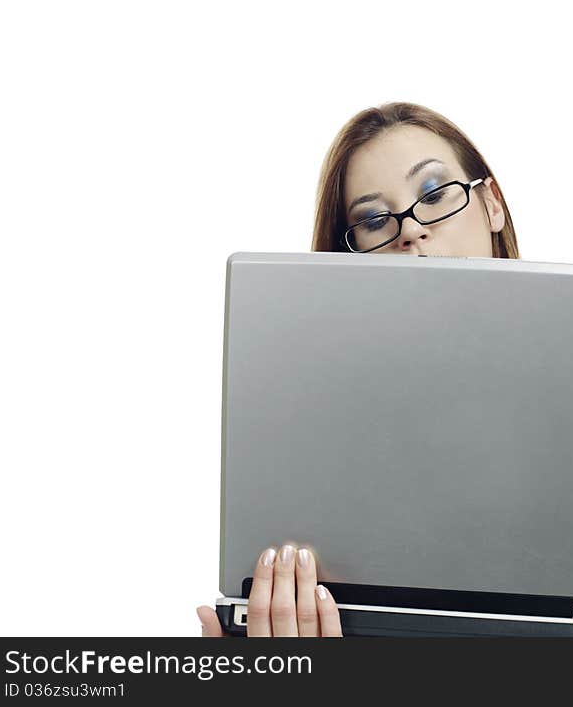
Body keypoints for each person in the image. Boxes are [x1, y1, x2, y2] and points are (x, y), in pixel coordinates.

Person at [196, 101, 521, 636]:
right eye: (373, 219)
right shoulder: (306, 423)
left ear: (491, 205)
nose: (411, 231)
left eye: (435, 194)